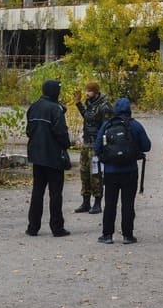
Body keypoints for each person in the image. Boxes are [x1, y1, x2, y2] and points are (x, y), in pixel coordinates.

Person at [93, 97, 151, 244]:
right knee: (128, 203)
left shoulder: (107, 125)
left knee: (110, 203)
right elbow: (147, 146)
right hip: (130, 170)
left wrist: (105, 157)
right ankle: (127, 235)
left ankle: (107, 235)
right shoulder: (135, 125)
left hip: (111, 171)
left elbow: (97, 147)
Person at [25, 79, 72, 237]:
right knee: (55, 193)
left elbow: (29, 131)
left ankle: (33, 227)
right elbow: (61, 133)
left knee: (37, 191)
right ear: (55, 91)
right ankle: (57, 227)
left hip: (36, 156)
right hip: (53, 157)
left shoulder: (34, 106)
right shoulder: (56, 109)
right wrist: (66, 144)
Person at [74, 82, 113, 215]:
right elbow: (87, 117)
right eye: (86, 90)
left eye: (89, 91)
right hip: (86, 142)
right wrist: (79, 104)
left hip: (96, 144)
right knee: (84, 173)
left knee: (95, 174)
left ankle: (97, 203)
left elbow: (106, 127)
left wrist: (101, 145)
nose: (87, 93)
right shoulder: (90, 103)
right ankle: (85, 202)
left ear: (96, 92)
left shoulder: (104, 106)